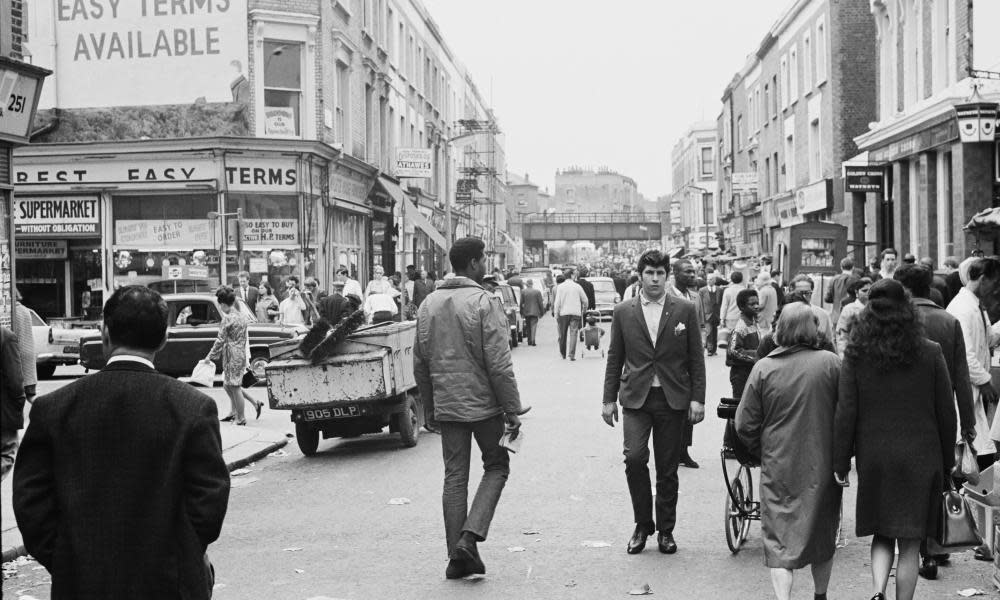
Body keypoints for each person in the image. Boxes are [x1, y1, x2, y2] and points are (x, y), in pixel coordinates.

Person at [13, 285, 230, 598]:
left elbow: (30, 501)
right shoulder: (193, 408)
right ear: (164, 338)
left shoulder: (54, 409)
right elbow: (209, 500)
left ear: (105, 335)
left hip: (82, 583)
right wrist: (180, 551)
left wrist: (65, 557)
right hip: (170, 583)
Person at [835, 279, 957, 600]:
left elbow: (846, 411)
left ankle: (877, 591)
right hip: (922, 456)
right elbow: (946, 413)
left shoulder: (856, 355)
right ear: (907, 311)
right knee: (912, 542)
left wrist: (840, 460)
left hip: (876, 457)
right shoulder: (931, 353)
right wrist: (948, 462)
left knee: (882, 532)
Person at [414, 237, 524, 579]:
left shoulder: (428, 304)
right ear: (475, 264)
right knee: (497, 465)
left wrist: (428, 408)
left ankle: (456, 557)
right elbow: (499, 363)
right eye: (483, 260)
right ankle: (468, 536)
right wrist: (512, 409)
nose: (485, 265)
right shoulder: (484, 301)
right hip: (484, 405)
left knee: (455, 476)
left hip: (448, 404)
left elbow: (420, 362)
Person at [602, 249, 706, 556]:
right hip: (636, 397)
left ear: (667, 276)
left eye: (661, 273)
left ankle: (666, 531)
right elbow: (614, 358)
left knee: (667, 468)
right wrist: (608, 399)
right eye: (650, 273)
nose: (655, 279)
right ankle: (642, 524)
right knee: (634, 459)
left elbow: (696, 359)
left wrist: (698, 399)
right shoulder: (623, 311)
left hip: (672, 398)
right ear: (640, 275)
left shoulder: (684, 309)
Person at [736, 303, 842, 600]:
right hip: (822, 463)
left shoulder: (764, 368)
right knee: (822, 534)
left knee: (779, 538)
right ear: (814, 329)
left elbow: (744, 423)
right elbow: (846, 415)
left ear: (779, 329)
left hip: (778, 463)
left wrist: (763, 450)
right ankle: (820, 595)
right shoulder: (832, 364)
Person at [894, 263, 976, 578]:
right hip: (938, 414)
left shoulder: (893, 323)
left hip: (899, 415)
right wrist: (968, 424)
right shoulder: (948, 321)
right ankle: (932, 551)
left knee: (905, 483)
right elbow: (961, 377)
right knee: (938, 480)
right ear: (928, 287)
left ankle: (911, 545)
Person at [947, 256, 1000, 474]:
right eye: (995, 283)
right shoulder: (963, 308)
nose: (996, 290)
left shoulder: (976, 307)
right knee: (971, 461)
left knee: (979, 454)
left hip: (973, 395)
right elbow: (966, 357)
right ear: (982, 279)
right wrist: (986, 382)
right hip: (966, 394)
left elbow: (988, 339)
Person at [202, 286, 262, 426]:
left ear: (223, 304)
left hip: (231, 354)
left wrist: (209, 356)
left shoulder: (227, 319)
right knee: (229, 385)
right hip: (239, 353)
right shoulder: (242, 317)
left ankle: (240, 418)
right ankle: (236, 414)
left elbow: (220, 340)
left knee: (233, 386)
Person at [668, 259, 701, 469]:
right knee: (673, 409)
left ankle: (683, 450)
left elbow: (698, 326)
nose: (692, 275)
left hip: (691, 358)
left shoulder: (695, 297)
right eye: (687, 272)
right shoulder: (667, 296)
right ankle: (671, 450)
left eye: (693, 272)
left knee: (690, 406)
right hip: (672, 359)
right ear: (675, 273)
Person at [1, 326, 26, 480]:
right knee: (7, 452)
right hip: (3, 412)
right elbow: (15, 381)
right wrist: (19, 402)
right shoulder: (5, 337)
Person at [727, 289, 762, 399]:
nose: (756, 306)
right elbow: (733, 351)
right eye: (752, 304)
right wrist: (757, 355)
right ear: (742, 307)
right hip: (741, 374)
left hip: (750, 371)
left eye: (757, 303)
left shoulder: (753, 322)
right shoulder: (740, 327)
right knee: (740, 405)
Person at [789, 274, 834, 346]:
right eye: (800, 293)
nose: (803, 297)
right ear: (791, 292)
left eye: (807, 293)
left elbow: (829, 343)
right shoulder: (783, 314)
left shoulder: (823, 315)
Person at [553, 269, 588, 361]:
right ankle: (571, 355)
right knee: (573, 333)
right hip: (575, 313)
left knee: (562, 334)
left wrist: (556, 313)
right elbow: (585, 300)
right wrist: (584, 309)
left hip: (564, 313)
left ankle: (563, 353)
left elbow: (557, 302)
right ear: (572, 275)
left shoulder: (560, 287)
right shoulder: (577, 286)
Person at [835, 278, 872, 355]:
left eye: (870, 291)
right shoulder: (849, 309)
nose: (868, 293)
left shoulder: (876, 308)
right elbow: (842, 335)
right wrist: (843, 355)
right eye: (864, 291)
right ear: (857, 292)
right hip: (853, 354)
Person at [13, 295, 37, 400]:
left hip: (18, 354)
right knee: (30, 395)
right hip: (29, 353)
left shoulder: (11, 313)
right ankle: (45, 412)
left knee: (17, 398)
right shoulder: (26, 310)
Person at [825, 258, 858, 327]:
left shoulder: (833, 279)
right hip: (851, 316)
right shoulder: (856, 279)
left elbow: (827, 298)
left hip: (835, 317)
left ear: (841, 267)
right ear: (853, 267)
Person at [699, 275, 724, 356]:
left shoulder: (719, 290)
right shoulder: (702, 290)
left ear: (714, 280)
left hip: (717, 314)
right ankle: (710, 349)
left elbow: (721, 303)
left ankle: (714, 349)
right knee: (709, 332)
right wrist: (702, 316)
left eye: (711, 279)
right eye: (708, 279)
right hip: (707, 315)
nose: (709, 281)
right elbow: (701, 304)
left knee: (715, 332)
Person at [520, 278, 545, 346]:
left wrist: (521, 312)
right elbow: (540, 303)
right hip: (535, 312)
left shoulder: (523, 291)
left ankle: (529, 341)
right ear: (532, 284)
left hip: (526, 312)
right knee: (533, 326)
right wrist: (542, 312)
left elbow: (521, 303)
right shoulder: (537, 292)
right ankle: (533, 340)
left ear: (527, 284)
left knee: (528, 327)